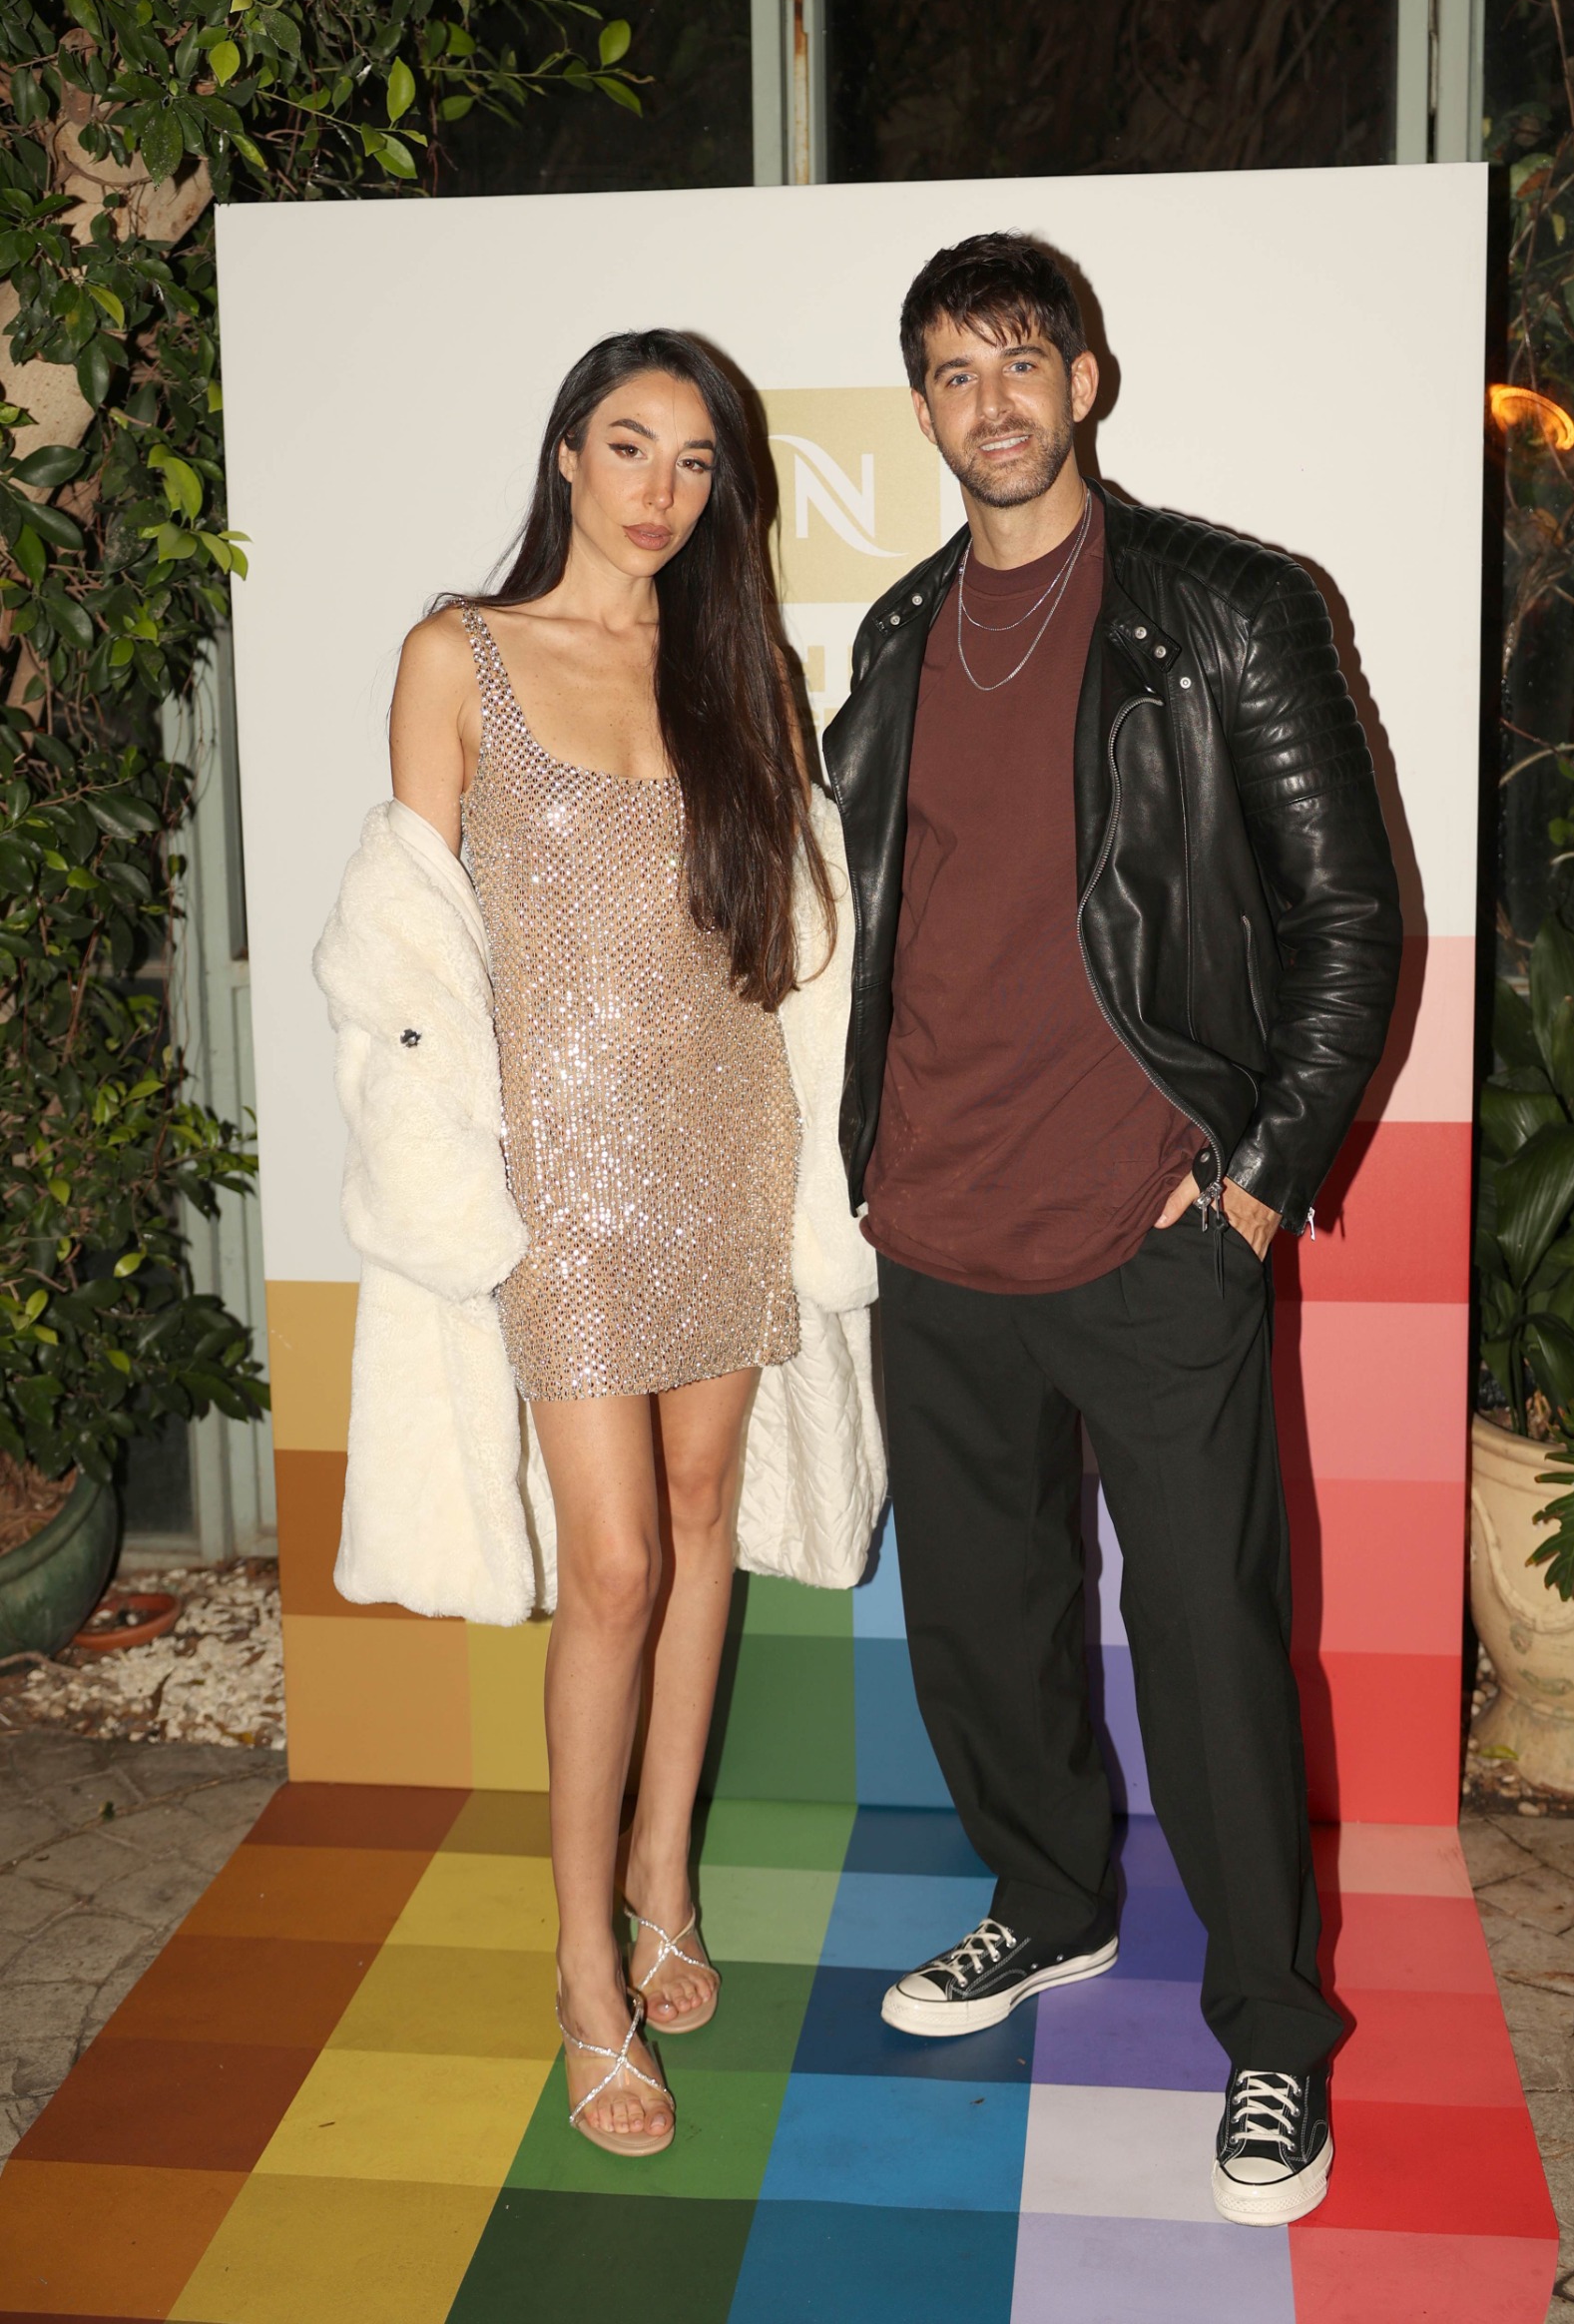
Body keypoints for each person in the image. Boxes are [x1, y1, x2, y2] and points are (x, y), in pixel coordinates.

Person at [820, 234, 1402, 2225]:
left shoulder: (1224, 607)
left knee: (1211, 1649)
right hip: (935, 1223)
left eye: (1021, 360)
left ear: (1085, 377)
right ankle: (1050, 1897)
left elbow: (1349, 921)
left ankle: (1272, 2037)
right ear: (919, 405)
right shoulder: (899, 632)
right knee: (981, 1626)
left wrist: (1251, 1187)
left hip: (1152, 1231)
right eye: (950, 371)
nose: (989, 401)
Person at [387, 329, 834, 2157]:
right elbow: (413, 962)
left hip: (725, 1140)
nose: (661, 492)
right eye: (630, 447)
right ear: (566, 453)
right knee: (619, 1562)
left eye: (696, 461)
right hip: (559, 1179)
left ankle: (663, 1880)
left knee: (705, 1512)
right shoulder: (457, 655)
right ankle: (583, 1969)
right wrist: (445, 1181)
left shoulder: (742, 667)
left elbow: (787, 936)